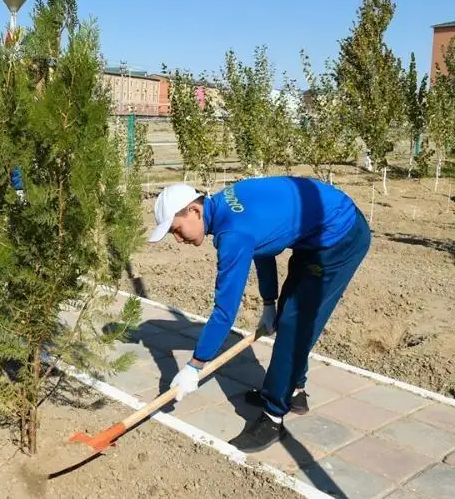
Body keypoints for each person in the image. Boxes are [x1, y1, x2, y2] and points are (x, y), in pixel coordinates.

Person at [147, 176, 371, 453]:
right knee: (288, 309)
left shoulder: (233, 235)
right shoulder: (226, 205)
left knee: (294, 325)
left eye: (177, 230)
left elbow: (224, 312)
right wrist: (269, 301)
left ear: (194, 210)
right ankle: (295, 391)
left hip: (340, 237)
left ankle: (273, 416)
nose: (179, 239)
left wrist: (195, 365)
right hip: (313, 234)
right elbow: (262, 248)